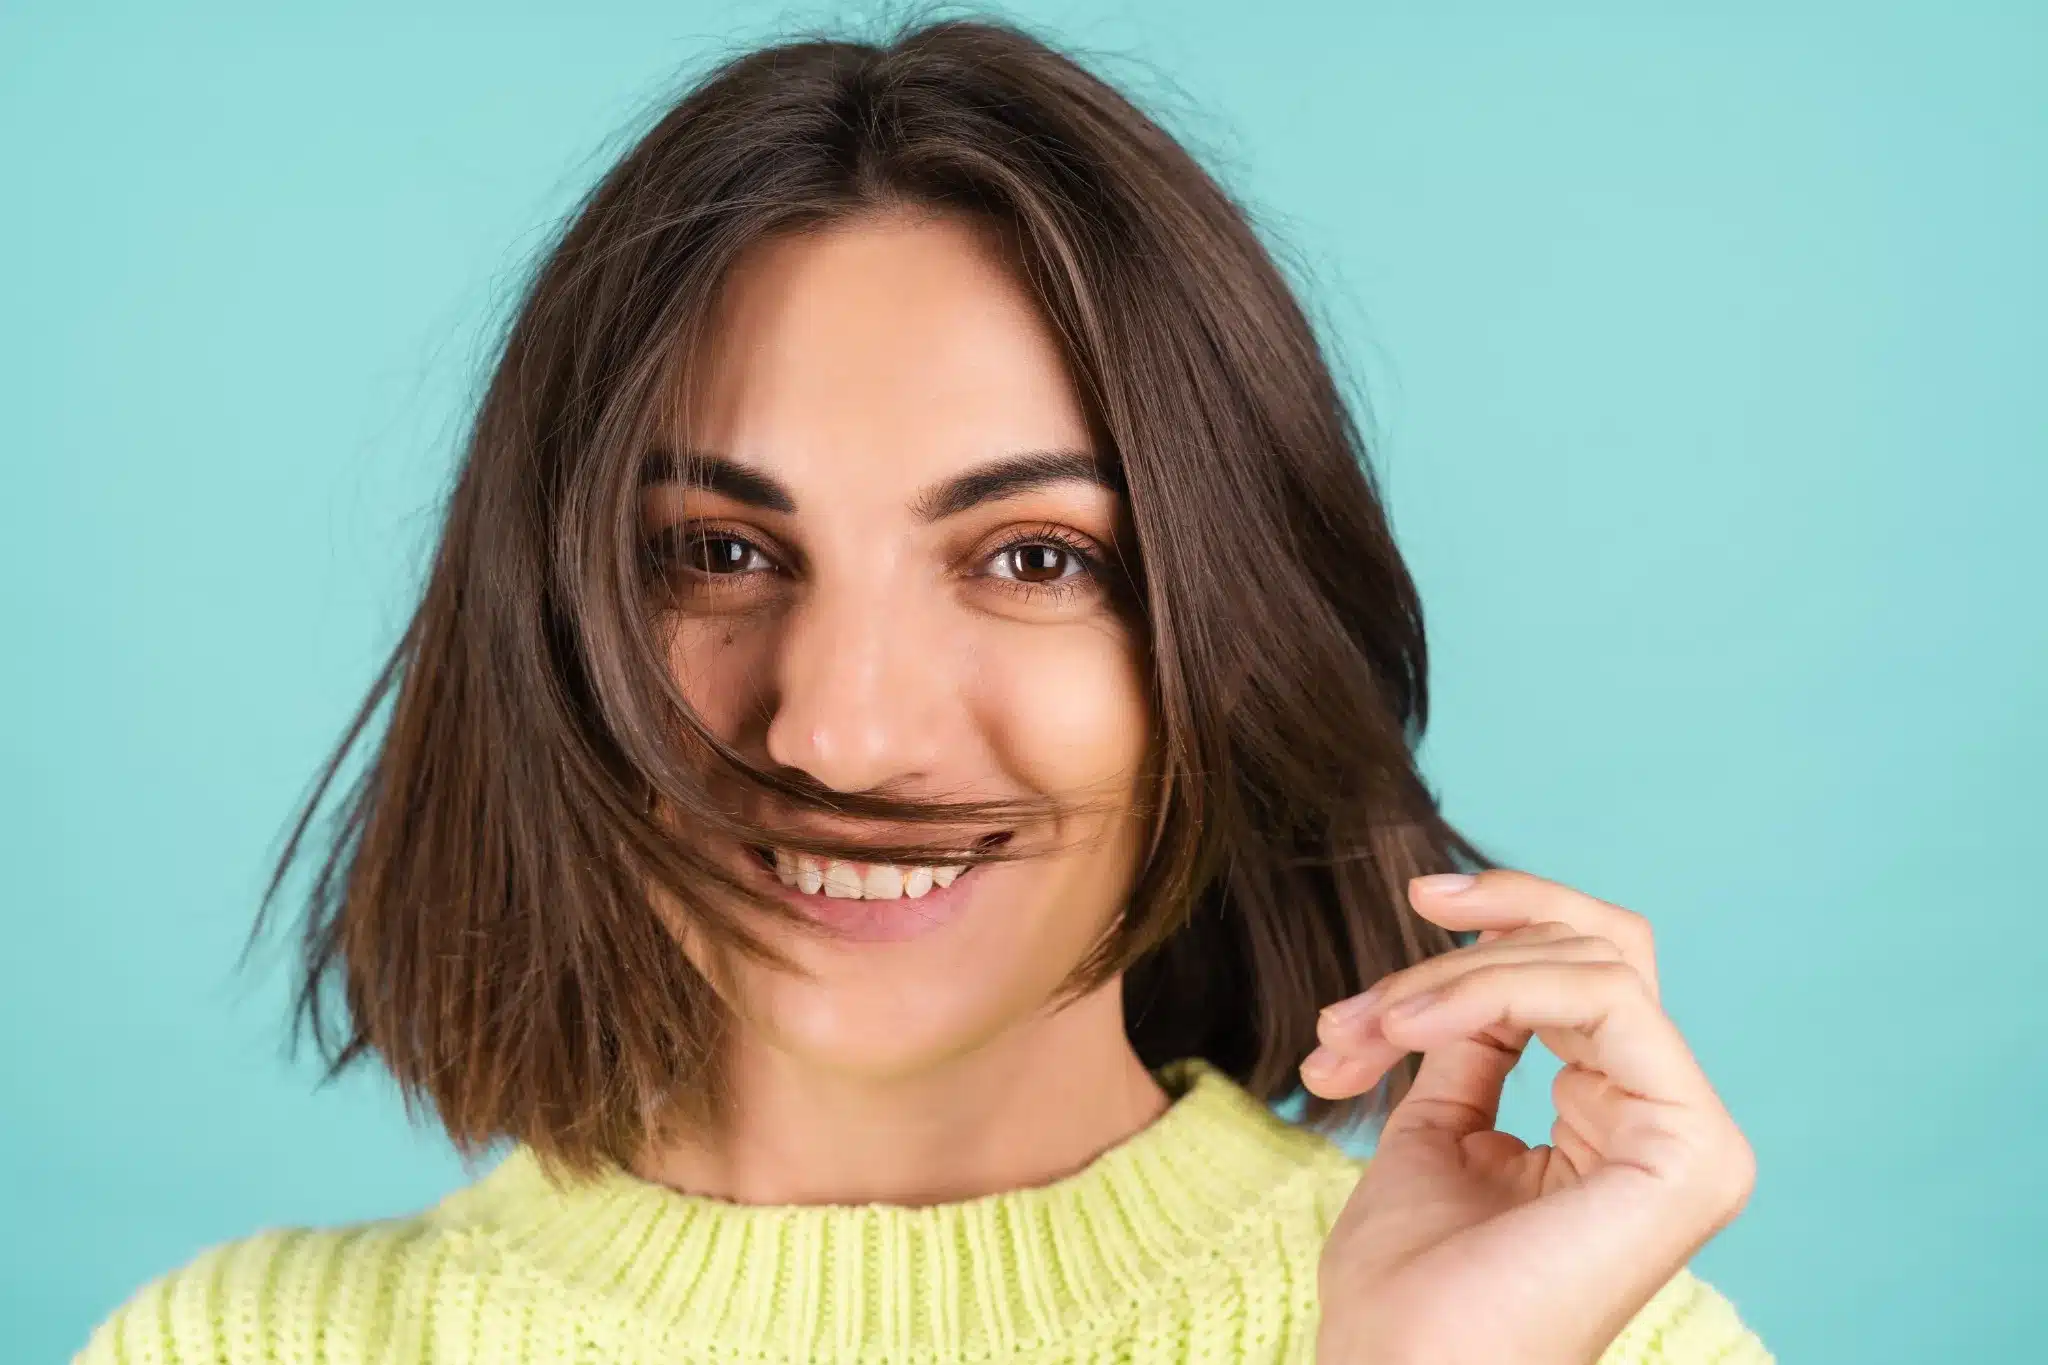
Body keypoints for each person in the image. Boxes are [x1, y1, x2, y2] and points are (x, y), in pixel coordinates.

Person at [77, 16, 1769, 1364]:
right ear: (546, 636)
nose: (841, 733)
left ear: (1234, 646)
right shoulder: (233, 1350)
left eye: (1034, 558)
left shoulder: (1588, 1343)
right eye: (715, 554)